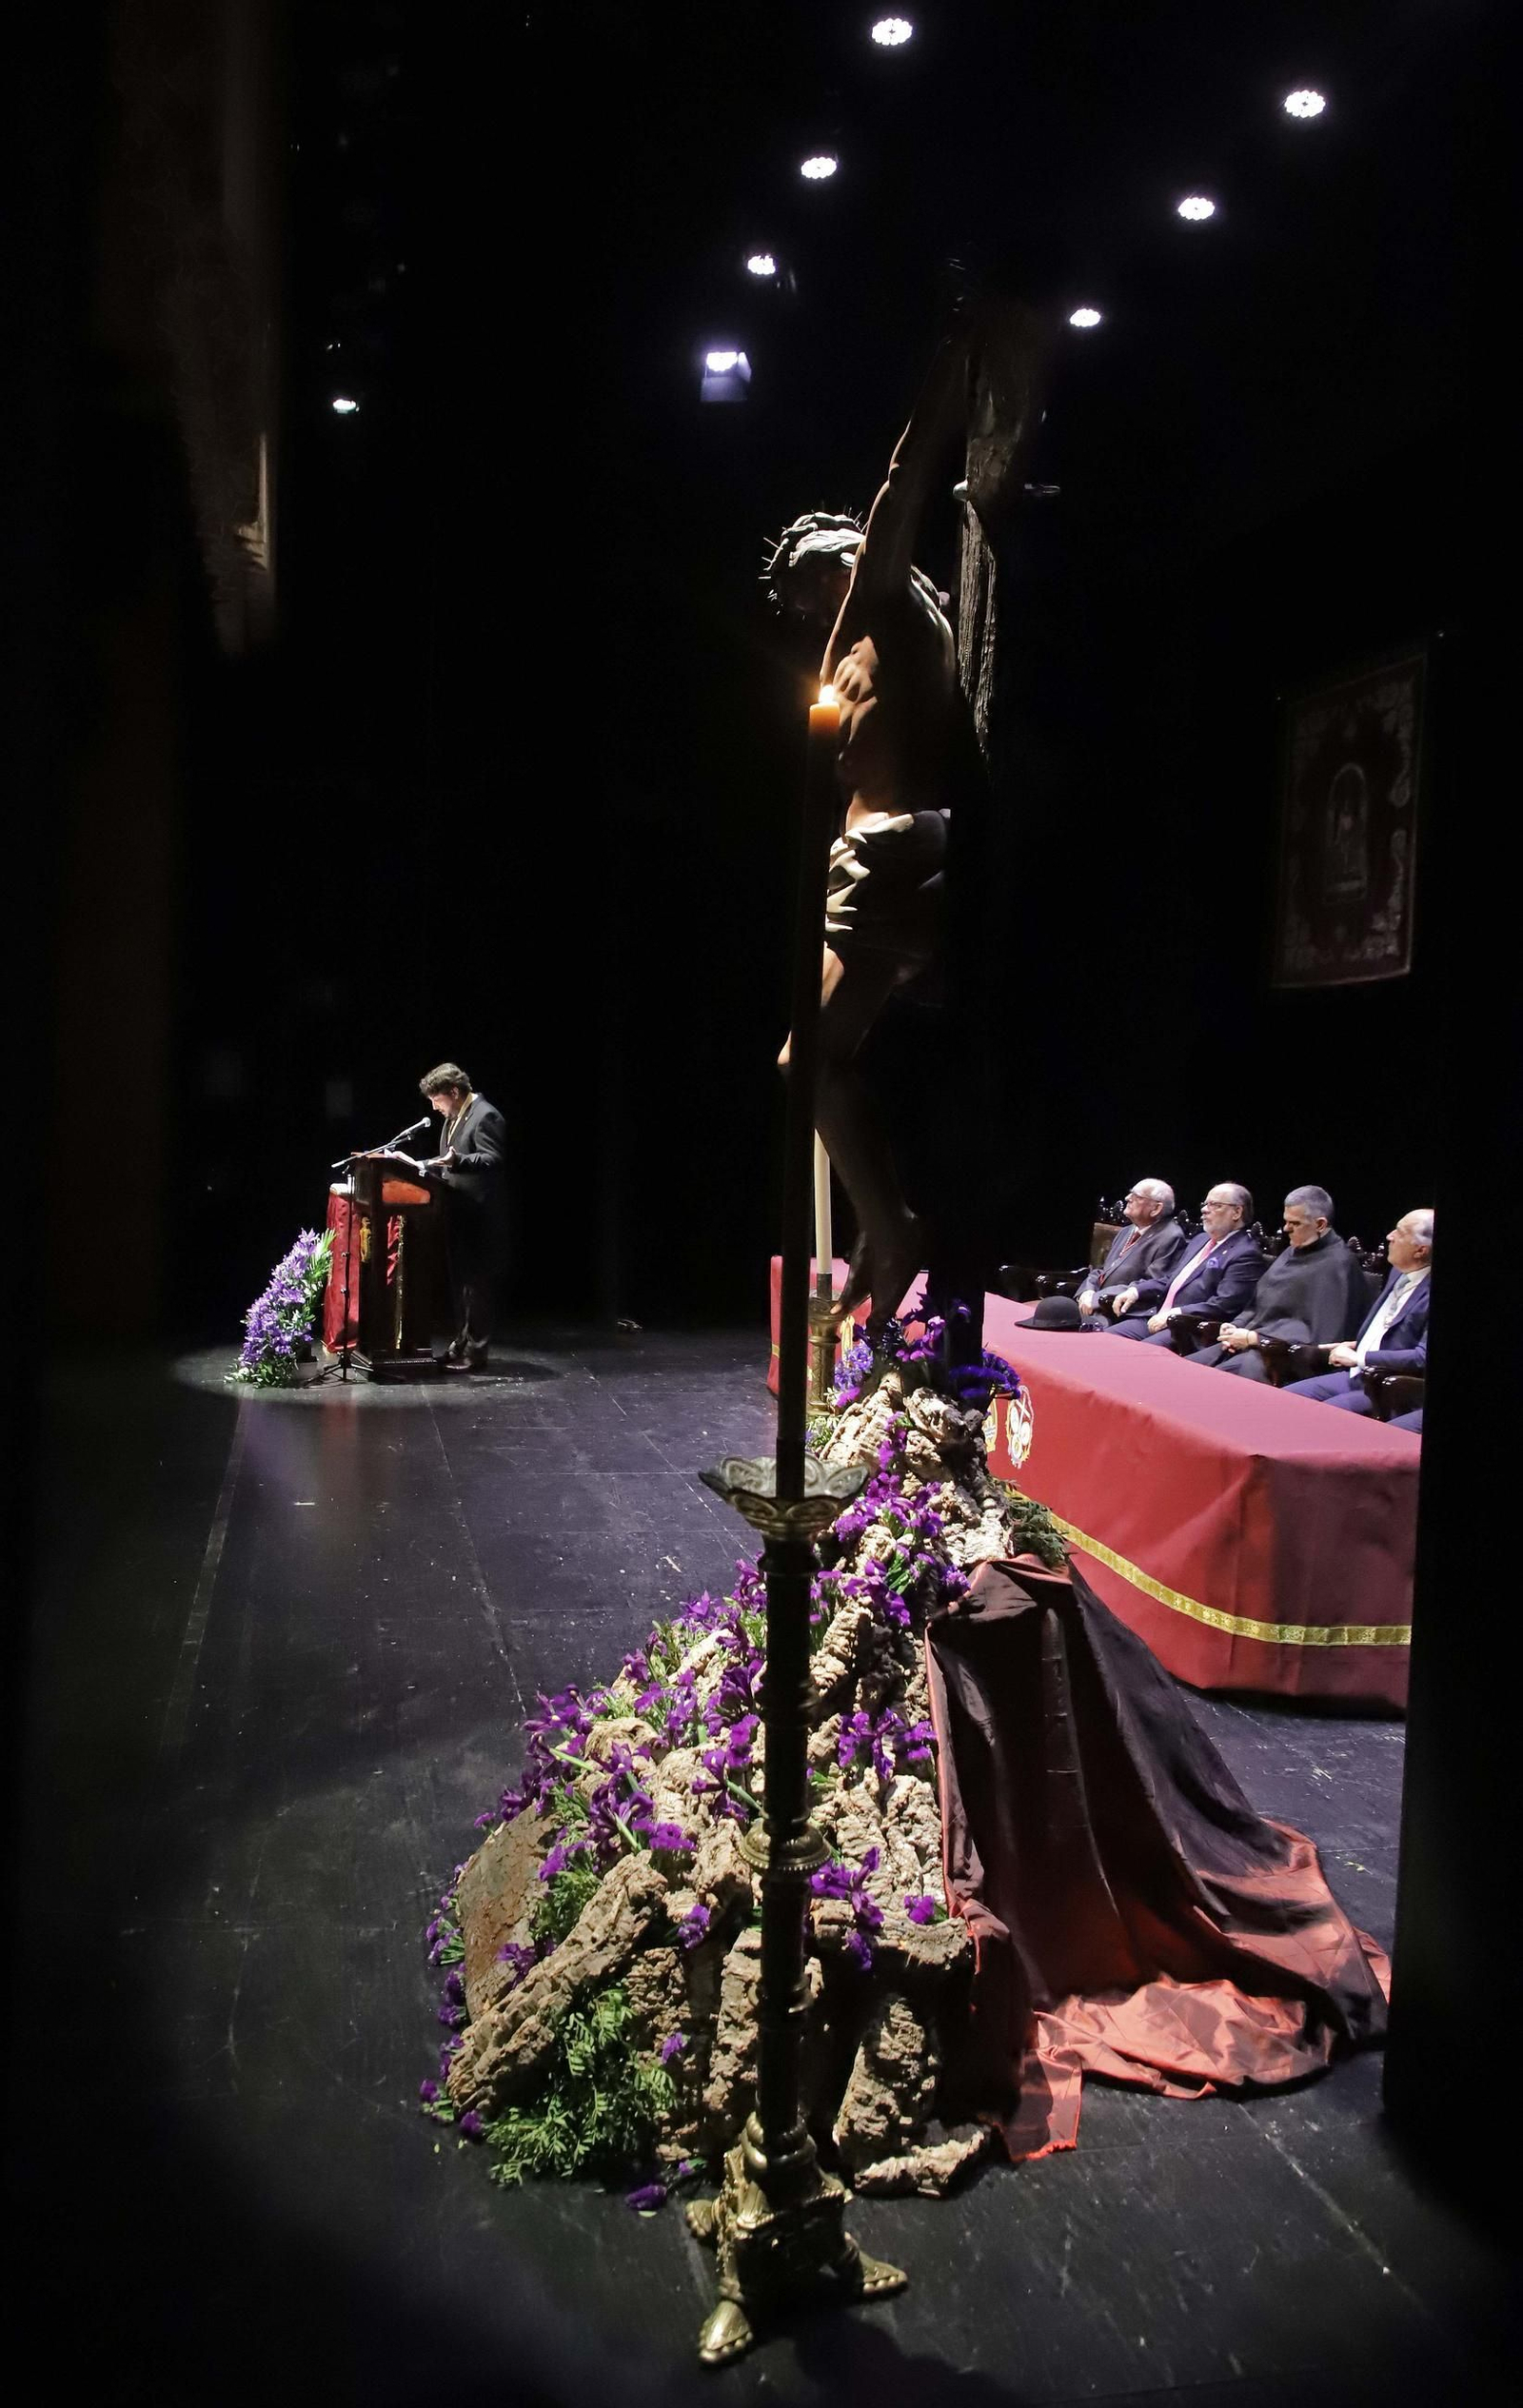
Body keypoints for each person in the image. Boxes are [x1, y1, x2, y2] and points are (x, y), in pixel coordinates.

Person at [765, 310, 996, 1340]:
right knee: (822, 1058)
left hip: (894, 851)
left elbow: (901, 482)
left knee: (804, 1060)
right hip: (877, 859)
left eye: (838, 547)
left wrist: (950, 358)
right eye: (823, 560)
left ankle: (891, 1225)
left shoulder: (884, 600)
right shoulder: (858, 639)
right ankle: (884, 1221)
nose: (840, 554)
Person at [1183, 1185, 1369, 1379]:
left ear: (1320, 1224)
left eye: (1294, 1223)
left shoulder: (1338, 1266)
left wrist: (1254, 1339)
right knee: (1182, 1372)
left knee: (1208, 1383)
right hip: (1250, 1344)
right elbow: (1258, 1304)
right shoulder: (1292, 1250)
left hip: (1282, 1358)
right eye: (1285, 1221)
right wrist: (1236, 1326)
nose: (1285, 1229)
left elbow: (1320, 1340)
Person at [1280, 1210, 1433, 1413]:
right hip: (1357, 1374)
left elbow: (1422, 1357)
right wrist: (1356, 1345)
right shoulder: (1398, 1272)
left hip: (1387, 1386)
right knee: (1283, 1400)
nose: (1390, 1236)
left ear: (1420, 1250)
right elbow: (1388, 1329)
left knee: (1321, 1415)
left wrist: (1360, 1356)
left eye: (1400, 1232)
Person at [413, 1061, 506, 1371]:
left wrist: (459, 1161)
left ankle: (477, 1354)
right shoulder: (455, 1116)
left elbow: (493, 1158)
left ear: (453, 1092)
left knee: (476, 1288)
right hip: (458, 1213)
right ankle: (461, 1344)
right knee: (462, 1288)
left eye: (437, 1100)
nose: (435, 1107)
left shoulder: (486, 1115)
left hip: (478, 1216)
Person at [1108, 1181, 1265, 1340]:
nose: (1204, 1209)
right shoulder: (1200, 1240)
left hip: (1189, 1329)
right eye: (1205, 1204)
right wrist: (1136, 1291)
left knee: (1140, 1353)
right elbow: (1171, 1279)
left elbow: (1223, 1306)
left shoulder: (1245, 1254)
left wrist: (1177, 1313)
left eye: (1214, 1205)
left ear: (1237, 1212)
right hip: (1157, 1316)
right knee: (1107, 1338)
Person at [1075, 1180, 1186, 1325]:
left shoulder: (1171, 1237)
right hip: (1095, 1304)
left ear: (1156, 1208)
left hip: (1124, 1311)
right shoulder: (1127, 1231)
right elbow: (1102, 1270)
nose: (1128, 1198)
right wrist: (1087, 1291)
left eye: (1137, 1196)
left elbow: (1152, 1283)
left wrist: (1096, 1298)